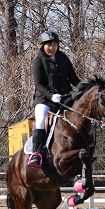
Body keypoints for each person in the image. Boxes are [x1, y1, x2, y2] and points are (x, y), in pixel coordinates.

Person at [28, 31, 81, 167]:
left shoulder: (63, 58)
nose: (52, 48)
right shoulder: (38, 60)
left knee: (79, 117)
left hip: (64, 99)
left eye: (54, 45)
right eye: (49, 45)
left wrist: (85, 88)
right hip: (44, 100)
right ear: (43, 46)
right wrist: (51, 96)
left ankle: (83, 150)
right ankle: (36, 154)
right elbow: (38, 85)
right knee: (40, 121)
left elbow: (73, 78)